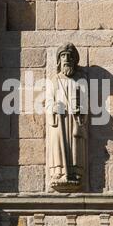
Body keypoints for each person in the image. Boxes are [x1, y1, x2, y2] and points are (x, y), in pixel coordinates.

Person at [46, 43, 88, 192]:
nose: (67, 59)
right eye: (63, 56)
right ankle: (58, 172)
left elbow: (85, 102)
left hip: (74, 120)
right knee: (58, 145)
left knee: (75, 146)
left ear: (74, 61)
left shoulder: (80, 81)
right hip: (59, 121)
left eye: (70, 56)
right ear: (59, 60)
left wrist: (80, 109)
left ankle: (75, 173)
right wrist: (54, 108)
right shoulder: (54, 80)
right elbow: (48, 101)